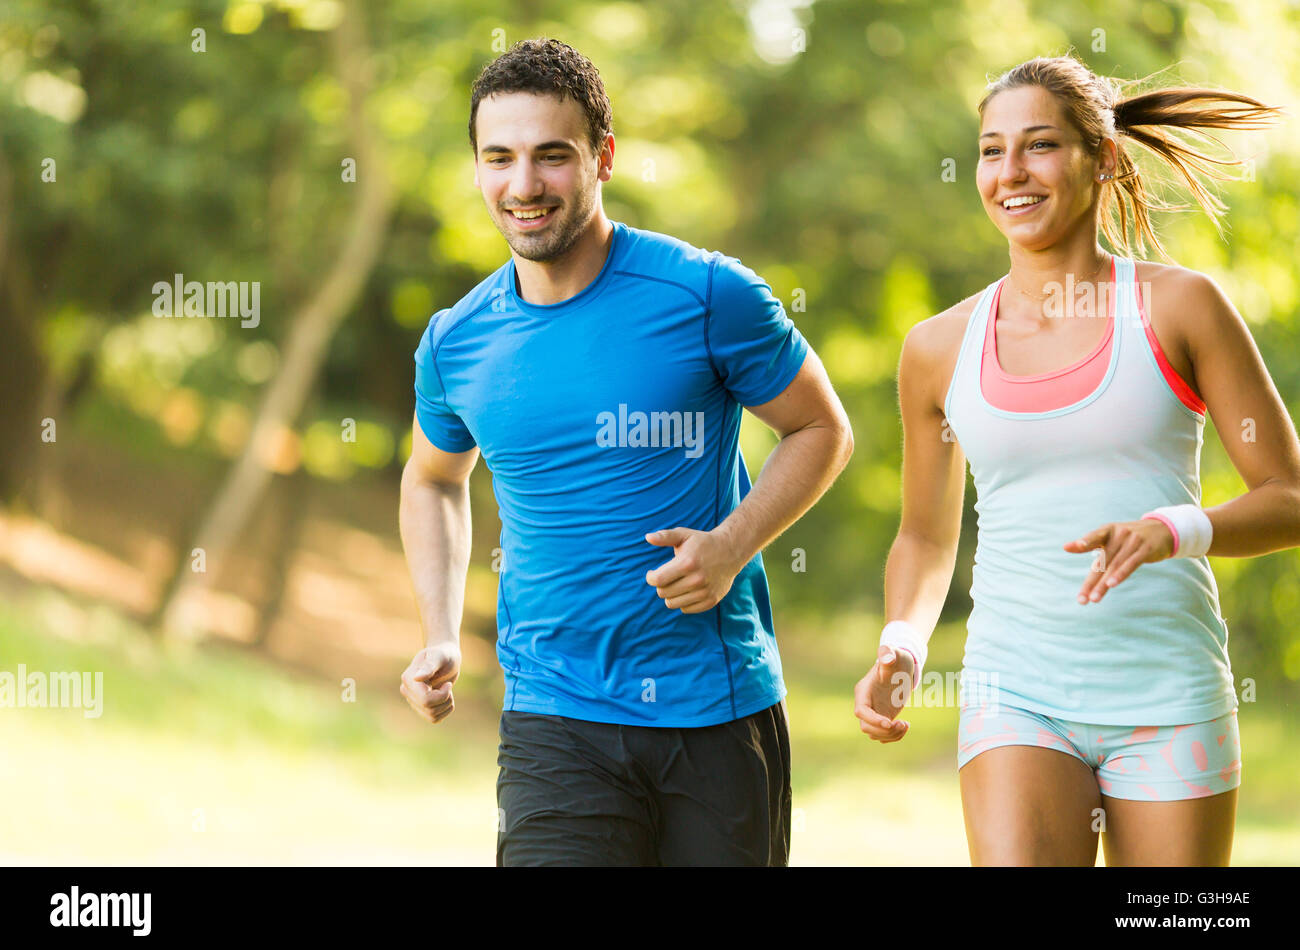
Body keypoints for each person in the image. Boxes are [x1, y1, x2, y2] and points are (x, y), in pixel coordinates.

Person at [398, 38, 853, 866]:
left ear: (603, 157)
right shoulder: (455, 341)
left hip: (714, 712)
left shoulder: (708, 294)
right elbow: (432, 478)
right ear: (476, 167)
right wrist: (437, 630)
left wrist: (732, 546)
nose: (523, 185)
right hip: (552, 717)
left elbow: (823, 429)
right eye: (498, 158)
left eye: (552, 156)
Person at [853, 54, 1299, 865]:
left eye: (1040, 145)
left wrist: (1174, 530)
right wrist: (903, 641)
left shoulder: (1181, 307)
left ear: (1105, 159)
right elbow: (924, 535)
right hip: (1015, 691)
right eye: (991, 150)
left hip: (1169, 692)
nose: (1010, 173)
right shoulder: (937, 348)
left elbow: (1289, 496)